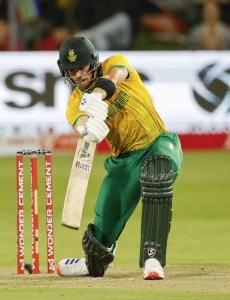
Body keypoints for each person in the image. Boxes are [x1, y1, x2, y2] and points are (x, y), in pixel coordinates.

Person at [55, 36, 183, 280]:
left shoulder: (116, 62)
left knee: (157, 173)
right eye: (72, 71)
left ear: (94, 62)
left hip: (159, 144)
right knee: (102, 230)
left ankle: (153, 259)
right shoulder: (74, 104)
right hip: (123, 162)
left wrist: (98, 96)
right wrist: (88, 128)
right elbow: (79, 125)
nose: (78, 75)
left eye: (82, 67)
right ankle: (93, 263)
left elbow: (115, 77)